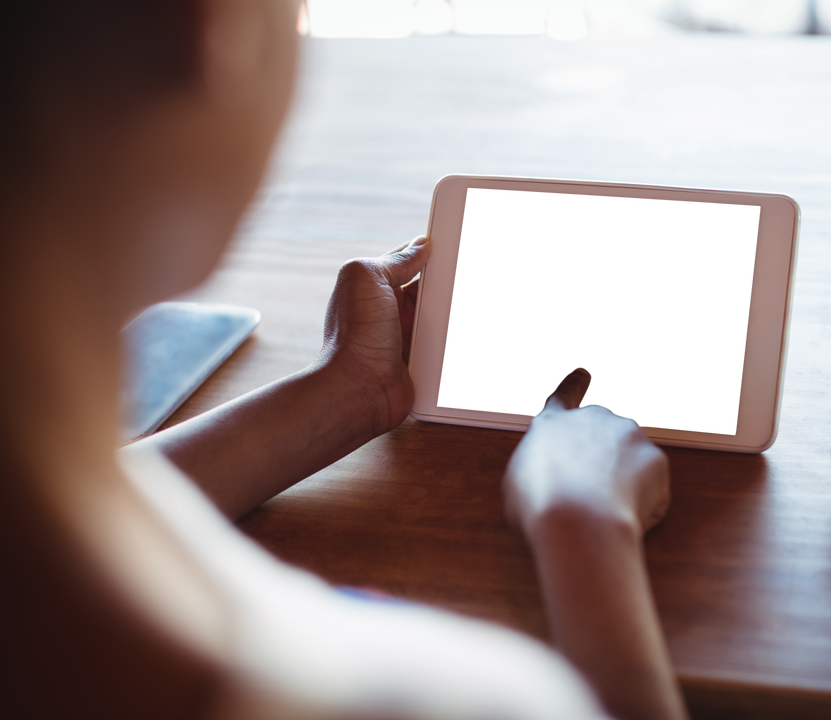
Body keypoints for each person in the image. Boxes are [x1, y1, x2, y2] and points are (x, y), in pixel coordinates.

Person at [0, 1, 688, 719]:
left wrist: (346, 394)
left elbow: (104, 506)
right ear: (207, 25)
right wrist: (582, 530)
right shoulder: (440, 700)